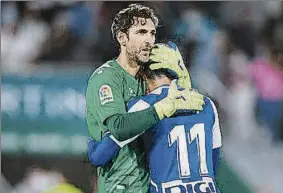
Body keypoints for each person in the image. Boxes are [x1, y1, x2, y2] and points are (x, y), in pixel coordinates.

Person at [86, 4, 205, 193]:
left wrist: (181, 77)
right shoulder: (106, 77)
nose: (149, 40)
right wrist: (162, 108)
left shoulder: (146, 77)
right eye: (141, 32)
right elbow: (118, 127)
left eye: (152, 33)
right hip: (120, 185)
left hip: (148, 184)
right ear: (122, 38)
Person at [88, 65, 222, 193]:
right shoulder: (206, 103)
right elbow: (214, 162)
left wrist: (94, 134)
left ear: (143, 76)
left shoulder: (145, 105)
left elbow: (99, 156)